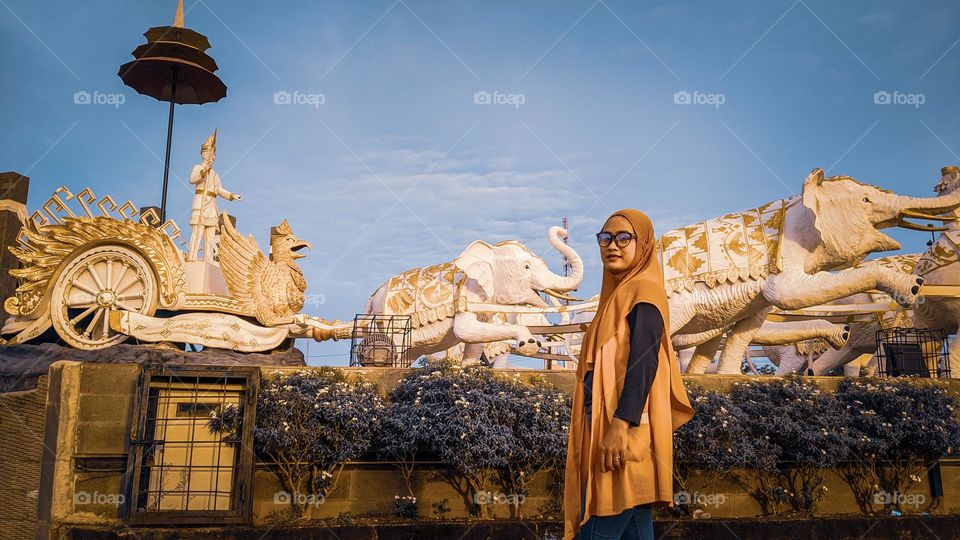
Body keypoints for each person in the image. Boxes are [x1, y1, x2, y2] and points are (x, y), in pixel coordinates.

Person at [563, 209, 694, 540]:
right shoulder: (617, 297)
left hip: (621, 430)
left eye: (624, 238)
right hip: (613, 427)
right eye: (605, 238)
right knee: (635, 528)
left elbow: (644, 361)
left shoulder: (643, 292)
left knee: (597, 527)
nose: (612, 245)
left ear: (644, 243)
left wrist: (620, 425)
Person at [187, 129, 242, 262]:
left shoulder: (215, 174)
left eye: (214, 154)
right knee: (198, 231)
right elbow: (192, 179)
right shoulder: (198, 167)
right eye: (210, 153)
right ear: (203, 154)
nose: (213, 156)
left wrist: (232, 195)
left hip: (211, 204)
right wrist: (204, 171)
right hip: (201, 201)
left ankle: (208, 259)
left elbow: (219, 190)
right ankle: (192, 256)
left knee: (210, 234)